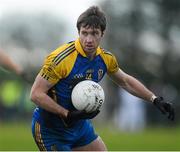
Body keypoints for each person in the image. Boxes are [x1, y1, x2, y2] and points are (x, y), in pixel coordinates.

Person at [30, 6, 175, 151]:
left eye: (94, 33)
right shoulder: (60, 59)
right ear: (78, 32)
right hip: (50, 130)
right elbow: (36, 94)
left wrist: (154, 99)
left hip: (79, 128)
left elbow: (126, 81)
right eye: (84, 33)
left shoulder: (106, 59)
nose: (88, 39)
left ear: (102, 33)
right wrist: (66, 114)